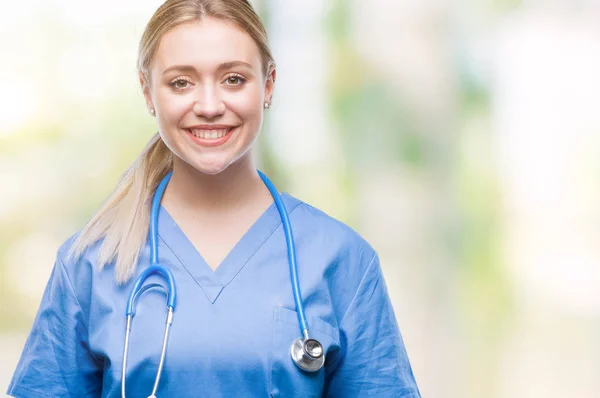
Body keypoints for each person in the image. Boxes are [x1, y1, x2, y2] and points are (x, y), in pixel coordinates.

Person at [6, 0, 421, 397]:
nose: (208, 105)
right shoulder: (90, 264)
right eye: (181, 82)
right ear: (149, 93)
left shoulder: (342, 261)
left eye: (234, 79)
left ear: (268, 85)